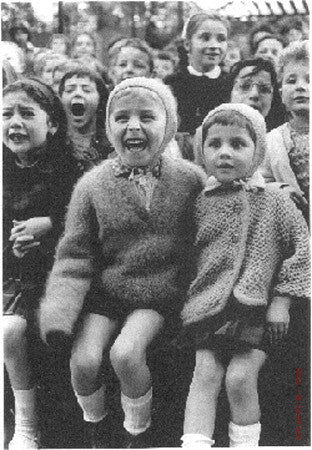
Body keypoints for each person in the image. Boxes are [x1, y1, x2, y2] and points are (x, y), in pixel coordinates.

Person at [38, 77, 206, 449]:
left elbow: (207, 239)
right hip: (109, 291)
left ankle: (137, 432)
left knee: (126, 353)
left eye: (147, 116)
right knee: (83, 362)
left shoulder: (191, 178)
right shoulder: (92, 185)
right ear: (109, 126)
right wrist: (59, 315)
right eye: (122, 117)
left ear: (169, 125)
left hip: (158, 294)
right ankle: (96, 427)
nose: (134, 126)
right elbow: (74, 255)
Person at [179, 103, 310, 449]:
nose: (224, 153)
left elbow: (302, 250)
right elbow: (187, 254)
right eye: (215, 144)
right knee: (204, 376)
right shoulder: (199, 202)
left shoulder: (273, 200)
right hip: (208, 305)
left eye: (237, 144)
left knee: (239, 378)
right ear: (201, 150)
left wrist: (281, 301)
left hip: (257, 306)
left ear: (257, 150)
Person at [3, 78, 76, 450]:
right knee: (10, 330)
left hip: (63, 277)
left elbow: (91, 228)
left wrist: (50, 226)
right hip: (17, 279)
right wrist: (11, 252)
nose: (14, 122)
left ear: (51, 123)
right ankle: (24, 424)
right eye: (6, 114)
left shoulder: (71, 168)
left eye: (26, 114)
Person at [193, 58, 286, 168]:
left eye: (264, 89)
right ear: (229, 94)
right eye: (244, 87)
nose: (254, 95)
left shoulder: (281, 139)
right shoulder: (205, 133)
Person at [164, 12, 230, 160]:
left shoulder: (230, 82)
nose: (214, 46)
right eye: (205, 38)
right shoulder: (172, 83)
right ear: (188, 44)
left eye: (221, 39)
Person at [260, 40, 309, 225]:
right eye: (291, 80)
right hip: (295, 228)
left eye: (309, 80)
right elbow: (259, 181)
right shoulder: (273, 141)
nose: (300, 86)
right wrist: (277, 188)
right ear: (280, 93)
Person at [58, 66, 113, 176]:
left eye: (86, 90)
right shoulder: (54, 144)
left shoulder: (112, 143)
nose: (77, 93)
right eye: (69, 90)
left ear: (100, 99)